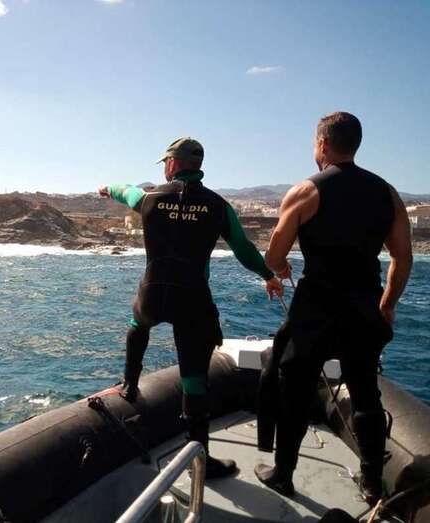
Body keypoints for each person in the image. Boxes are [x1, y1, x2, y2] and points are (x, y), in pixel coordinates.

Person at [99, 137, 284, 478]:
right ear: (197, 166)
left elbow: (126, 190)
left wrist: (108, 188)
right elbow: (243, 249)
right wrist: (268, 276)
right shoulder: (217, 206)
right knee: (194, 381)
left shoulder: (150, 197)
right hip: (192, 300)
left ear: (172, 164)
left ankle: (129, 384)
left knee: (137, 324)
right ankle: (200, 463)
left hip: (152, 294)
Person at [257, 112, 413, 504]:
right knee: (365, 394)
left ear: (323, 145)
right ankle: (372, 482)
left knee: (294, 389)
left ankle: (283, 475)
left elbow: (275, 255)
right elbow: (402, 258)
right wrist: (388, 304)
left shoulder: (306, 191)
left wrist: (280, 267)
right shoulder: (389, 194)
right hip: (364, 307)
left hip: (315, 309)